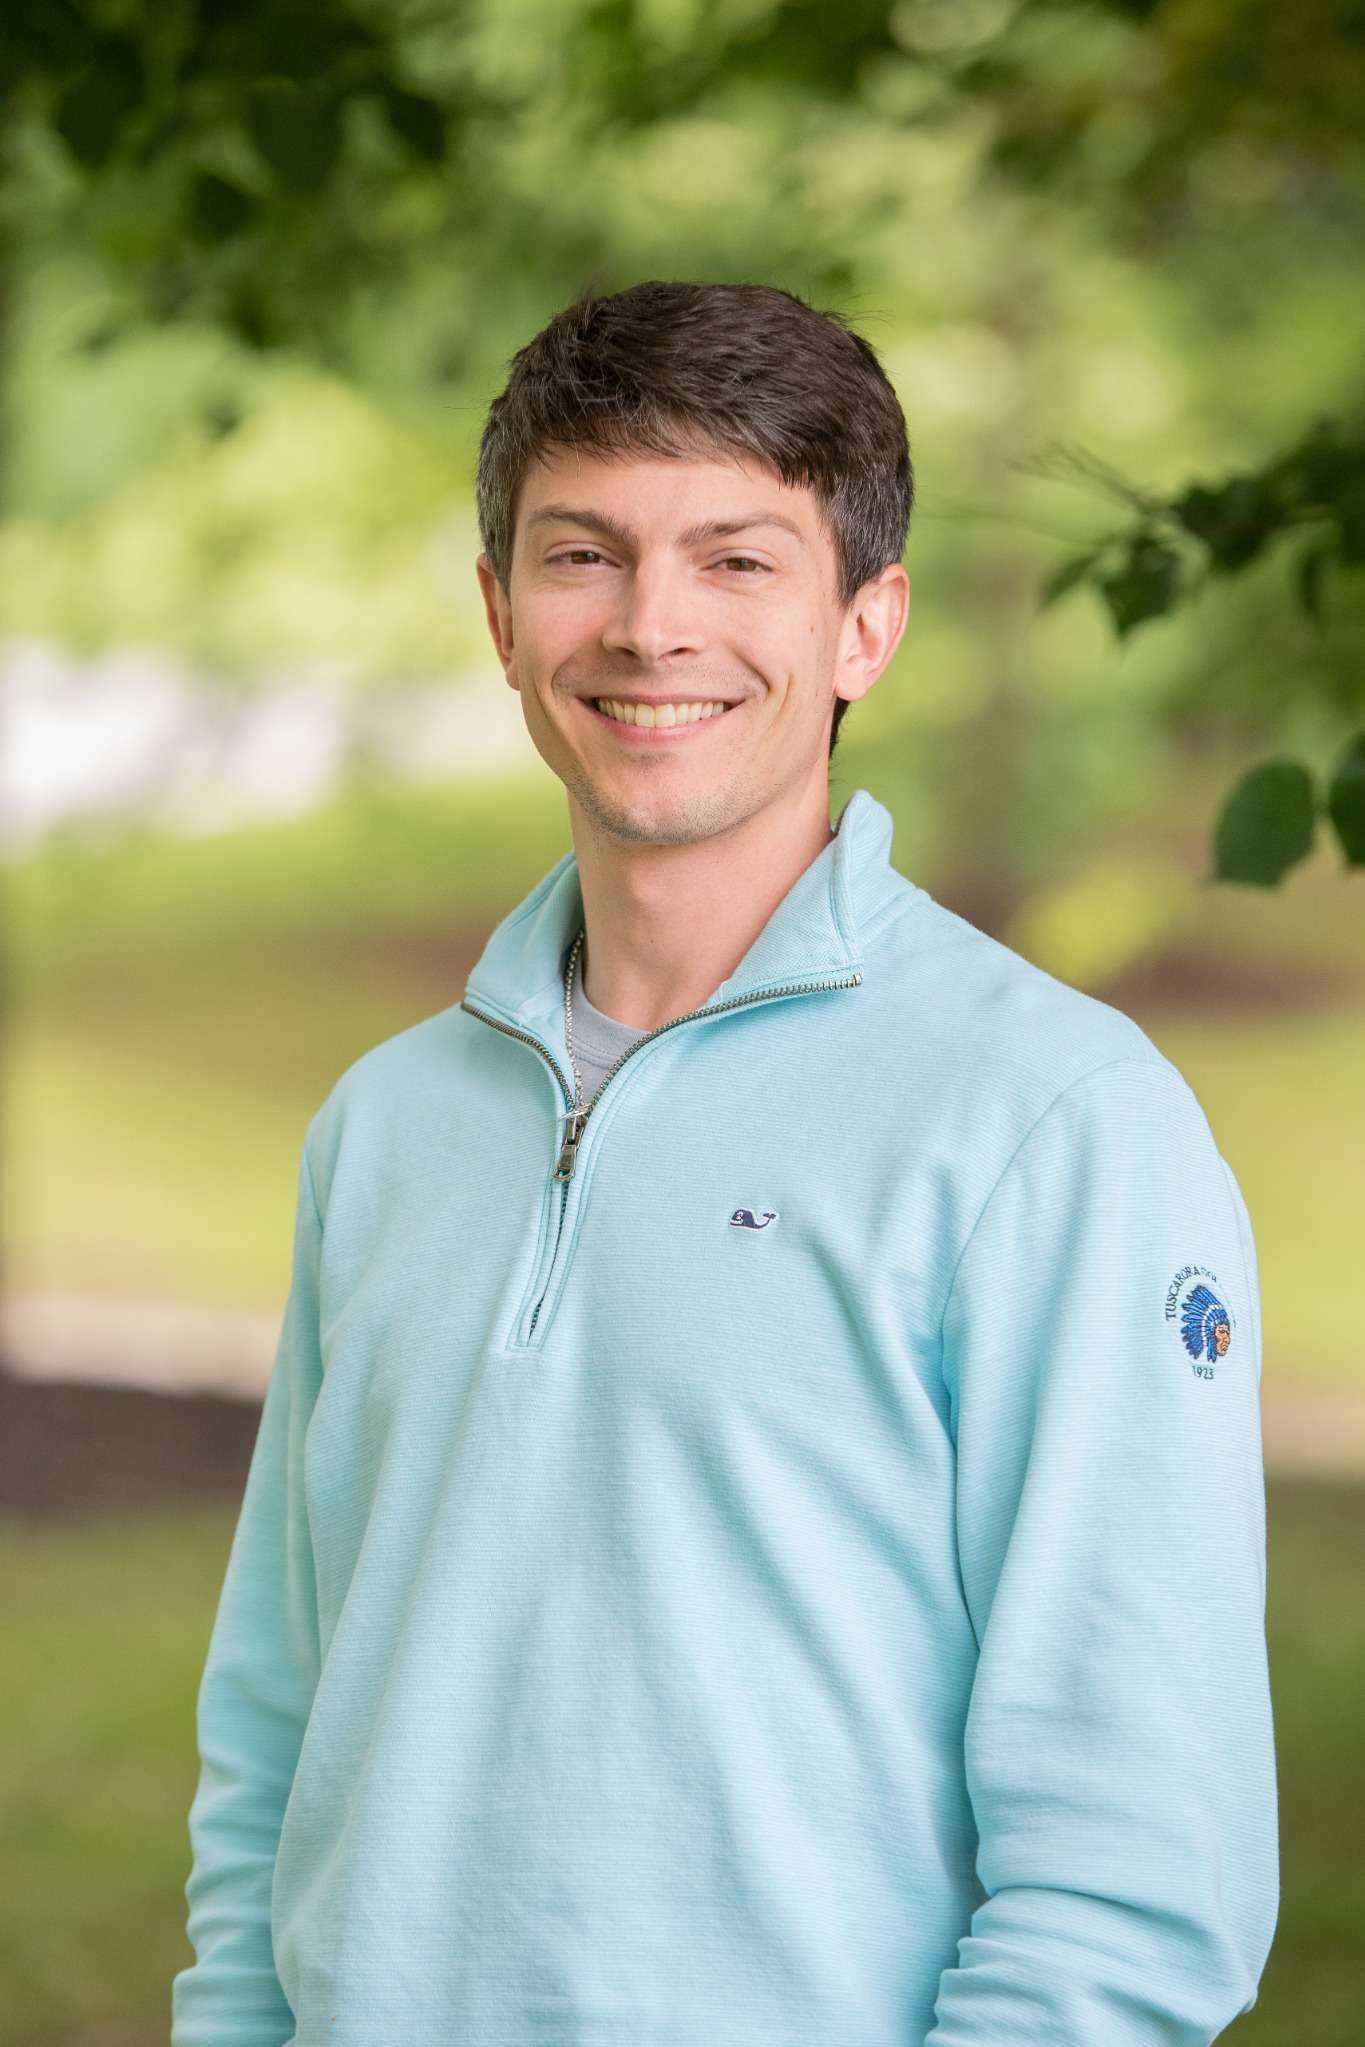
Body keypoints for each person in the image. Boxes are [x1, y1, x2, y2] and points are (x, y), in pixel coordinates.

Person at [171, 280, 1278, 2046]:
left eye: (738, 559)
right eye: (582, 554)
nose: (648, 626)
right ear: (498, 611)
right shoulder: (386, 1123)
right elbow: (273, 1752)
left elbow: (1138, 1874)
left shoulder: (1055, 1120)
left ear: (866, 626)